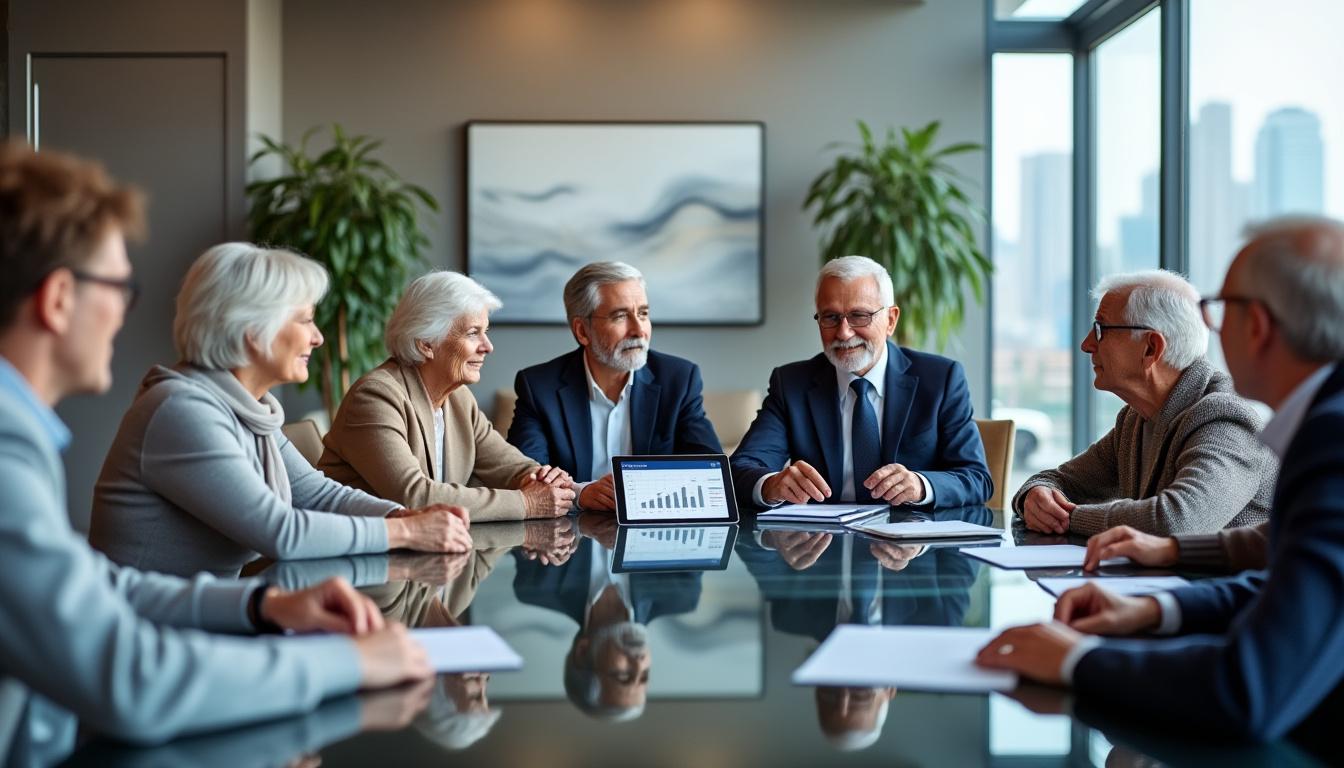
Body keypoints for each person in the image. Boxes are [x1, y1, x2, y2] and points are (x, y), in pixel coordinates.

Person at [0, 141, 429, 756]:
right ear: (60, 297)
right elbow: (133, 679)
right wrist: (350, 664)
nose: (125, 313)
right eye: (121, 287)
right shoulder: (21, 443)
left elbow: (101, 586)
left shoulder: (22, 434)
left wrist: (267, 605)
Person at [977, 216, 1344, 746]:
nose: (1086, 345)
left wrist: (1080, 661)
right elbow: (1278, 569)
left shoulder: (1314, 437)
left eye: (1222, 310)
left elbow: (1248, 690)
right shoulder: (1141, 418)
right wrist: (1154, 609)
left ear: (1258, 326)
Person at [89, 244, 473, 578]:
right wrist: (408, 533)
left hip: (209, 622)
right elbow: (281, 532)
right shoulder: (181, 410)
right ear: (253, 331)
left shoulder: (249, 408)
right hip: (148, 640)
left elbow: (318, 495)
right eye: (305, 319)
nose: (318, 336)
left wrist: (401, 516)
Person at [1014, 270, 1275, 537]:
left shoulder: (1226, 419)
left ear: (1151, 348)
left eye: (1100, 329)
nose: (1086, 344)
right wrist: (1033, 496)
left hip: (1220, 580)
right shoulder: (1134, 418)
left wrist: (1067, 518)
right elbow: (1061, 481)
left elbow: (1176, 521)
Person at [730, 255, 991, 509]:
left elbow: (977, 478)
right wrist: (770, 485)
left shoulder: (940, 379)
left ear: (890, 320)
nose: (843, 332)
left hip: (911, 546)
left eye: (859, 316)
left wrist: (921, 485)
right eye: (830, 317)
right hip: (819, 545)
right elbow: (741, 469)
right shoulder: (792, 384)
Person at [319, 271, 575, 522]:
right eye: (473, 333)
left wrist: (547, 481)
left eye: (485, 331)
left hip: (427, 550)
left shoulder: (459, 399)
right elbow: (415, 497)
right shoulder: (375, 396)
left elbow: (509, 466)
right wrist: (528, 503)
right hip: (361, 556)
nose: (488, 346)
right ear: (426, 343)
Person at [507, 261, 722, 511]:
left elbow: (710, 472)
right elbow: (527, 476)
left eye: (643, 314)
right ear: (582, 331)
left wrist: (635, 494)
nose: (638, 329)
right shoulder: (539, 387)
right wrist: (582, 493)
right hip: (569, 538)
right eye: (620, 316)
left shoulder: (679, 379)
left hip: (655, 536)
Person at [512, 513, 702, 721]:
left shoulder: (536, 587)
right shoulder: (681, 594)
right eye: (644, 675)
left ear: (583, 653)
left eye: (623, 675)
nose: (639, 663)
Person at [1080, 521, 1268, 573]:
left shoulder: (1226, 427)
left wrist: (1069, 517)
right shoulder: (1135, 424)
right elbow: (1066, 477)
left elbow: (1175, 522)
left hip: (1225, 592)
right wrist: (1049, 495)